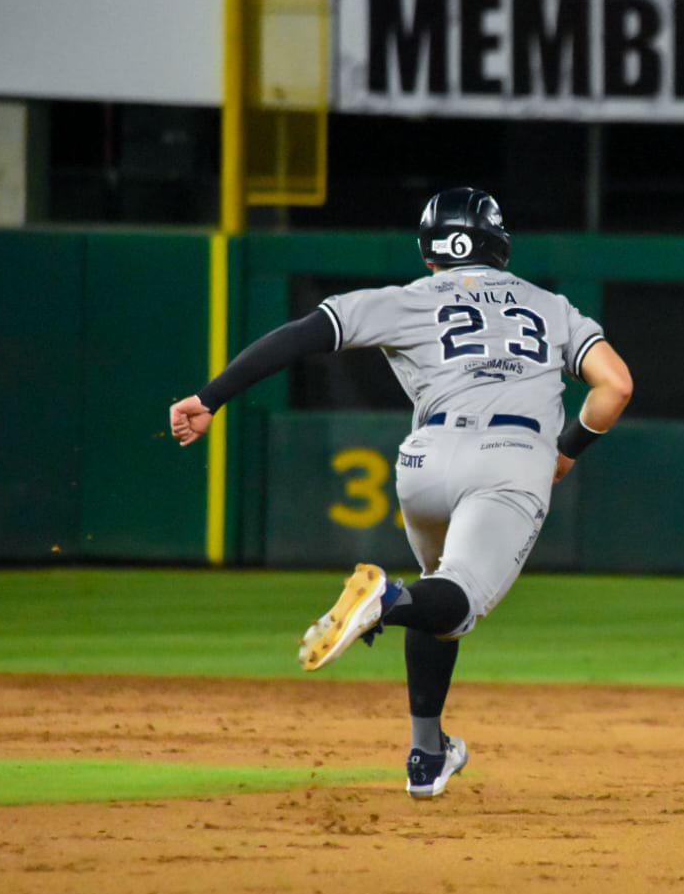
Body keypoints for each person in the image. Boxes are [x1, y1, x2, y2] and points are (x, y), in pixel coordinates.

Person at [169, 188, 632, 798]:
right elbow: (616, 387)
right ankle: (383, 600)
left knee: (435, 591)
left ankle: (427, 753)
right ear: (498, 244)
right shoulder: (551, 307)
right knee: (455, 600)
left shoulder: (406, 300)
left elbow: (304, 335)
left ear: (429, 250)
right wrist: (567, 451)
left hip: (424, 461)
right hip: (511, 457)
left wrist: (210, 397)